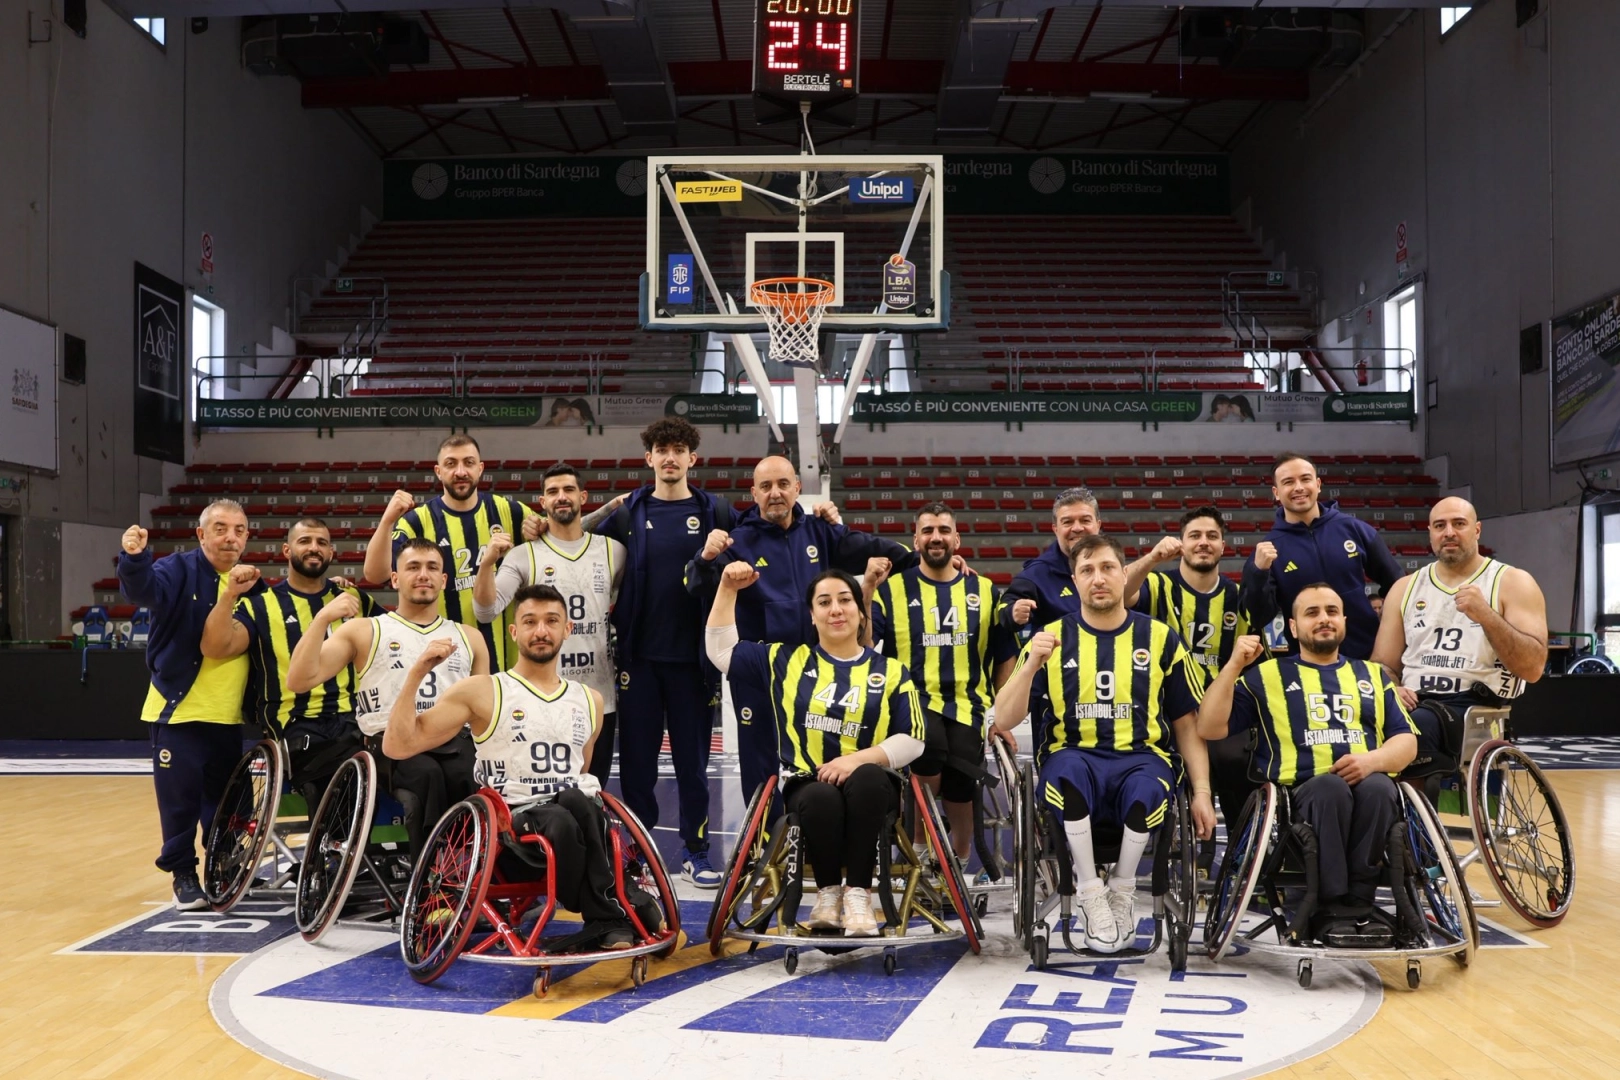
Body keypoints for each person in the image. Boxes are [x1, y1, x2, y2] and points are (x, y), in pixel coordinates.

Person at [382, 584, 658, 951]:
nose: (540, 631)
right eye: (529, 622)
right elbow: (398, 745)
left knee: (578, 800)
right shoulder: (483, 691)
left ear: (567, 629)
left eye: (551, 621)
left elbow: (581, 770)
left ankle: (608, 916)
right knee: (560, 818)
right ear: (514, 631)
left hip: (574, 824)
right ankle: (620, 903)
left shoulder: (589, 700)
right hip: (510, 833)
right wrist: (417, 673)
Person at [992, 535, 1216, 954]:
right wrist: (1031, 665)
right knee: (1068, 774)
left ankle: (1122, 888)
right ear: (1075, 580)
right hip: (1073, 755)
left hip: (1142, 757)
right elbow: (1003, 718)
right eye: (1087, 570)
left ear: (1124, 574)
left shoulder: (1161, 638)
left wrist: (1201, 792)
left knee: (1150, 787)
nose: (1098, 578)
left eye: (1108, 568)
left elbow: (1187, 724)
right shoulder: (1049, 637)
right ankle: (1090, 890)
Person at [684, 454, 931, 809]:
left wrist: (933, 563)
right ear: (753, 493)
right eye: (766, 486)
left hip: (818, 672)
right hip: (761, 670)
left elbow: (880, 550)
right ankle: (765, 840)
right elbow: (696, 585)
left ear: (798, 488)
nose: (775, 493)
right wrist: (706, 559)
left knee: (821, 756)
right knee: (760, 766)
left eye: (783, 484)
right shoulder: (737, 542)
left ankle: (817, 831)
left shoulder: (820, 532)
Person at [707, 564, 927, 937]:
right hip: (808, 785)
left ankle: (859, 895)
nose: (835, 610)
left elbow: (914, 739)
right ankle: (827, 894)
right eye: (824, 602)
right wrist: (727, 589)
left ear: (860, 610)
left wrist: (854, 760)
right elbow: (721, 651)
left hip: (874, 787)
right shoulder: (786, 661)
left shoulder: (891, 671)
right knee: (821, 795)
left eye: (845, 600)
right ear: (812, 615)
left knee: (868, 778)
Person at [1199, 585, 1418, 945]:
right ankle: (1331, 905)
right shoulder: (1267, 675)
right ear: (1293, 626)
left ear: (1344, 620)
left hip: (1368, 786)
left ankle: (1359, 903)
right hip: (1299, 797)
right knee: (1330, 788)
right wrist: (1234, 665)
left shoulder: (1373, 675)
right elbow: (1209, 727)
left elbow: (1406, 742)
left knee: (1381, 788)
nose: (1324, 619)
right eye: (1312, 613)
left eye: (1331, 611)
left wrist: (1371, 761)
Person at [587, 417, 733, 887]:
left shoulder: (716, 511)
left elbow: (759, 538)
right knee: (637, 768)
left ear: (693, 458)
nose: (670, 458)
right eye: (662, 450)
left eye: (679, 450)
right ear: (649, 458)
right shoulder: (628, 512)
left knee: (693, 766)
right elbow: (576, 541)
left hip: (693, 662)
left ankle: (697, 852)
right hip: (639, 660)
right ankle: (638, 853)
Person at [288, 537, 489, 855]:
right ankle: (430, 877)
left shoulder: (470, 637)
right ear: (395, 578)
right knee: (427, 775)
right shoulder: (365, 630)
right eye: (413, 567)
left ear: (443, 580)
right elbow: (299, 680)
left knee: (472, 773)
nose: (423, 574)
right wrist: (322, 619)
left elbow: (482, 714)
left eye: (432, 568)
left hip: (452, 741)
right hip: (389, 745)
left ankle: (478, 869)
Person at [118, 499, 266, 910]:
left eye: (238, 530)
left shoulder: (254, 584)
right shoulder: (176, 570)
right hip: (178, 711)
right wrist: (135, 559)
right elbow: (142, 590)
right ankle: (183, 875)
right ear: (201, 534)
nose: (230, 537)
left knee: (229, 801)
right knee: (179, 803)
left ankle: (224, 865)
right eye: (220, 529)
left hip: (227, 715)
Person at [870, 503, 1017, 865]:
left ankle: (960, 853)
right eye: (928, 531)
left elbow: (1005, 655)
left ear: (957, 540)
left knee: (964, 767)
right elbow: (864, 645)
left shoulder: (984, 590)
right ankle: (921, 844)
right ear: (915, 541)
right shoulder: (891, 591)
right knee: (929, 744)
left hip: (969, 703)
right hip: (913, 699)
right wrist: (867, 587)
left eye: (943, 530)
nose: (936, 537)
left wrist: (1002, 715)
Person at [199, 517, 382, 801]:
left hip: (353, 720)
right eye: (305, 541)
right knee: (340, 766)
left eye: (322, 542)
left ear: (331, 552)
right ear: (287, 550)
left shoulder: (353, 599)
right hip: (295, 725)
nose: (314, 548)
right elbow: (215, 648)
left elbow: (395, 634)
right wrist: (230, 594)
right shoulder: (261, 605)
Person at [473, 463, 625, 788]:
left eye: (569, 489)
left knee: (592, 791)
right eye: (553, 492)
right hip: (537, 698)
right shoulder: (523, 555)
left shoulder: (613, 551)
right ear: (542, 502)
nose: (561, 497)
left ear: (583, 496)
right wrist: (487, 563)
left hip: (597, 696)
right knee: (540, 794)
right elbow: (486, 611)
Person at [1371, 497, 1548, 771]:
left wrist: (1486, 616)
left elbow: (1532, 668)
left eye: (1459, 524)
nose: (1449, 532)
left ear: (1477, 530)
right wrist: (1392, 688)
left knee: (1413, 729)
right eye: (1440, 525)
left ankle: (1419, 797)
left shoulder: (1513, 582)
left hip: (1475, 708)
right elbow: (1384, 665)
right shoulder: (1404, 588)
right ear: (1430, 533)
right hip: (1415, 701)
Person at [361, 434, 542, 672]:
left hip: (505, 661)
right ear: (438, 471)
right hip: (444, 662)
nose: (460, 471)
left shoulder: (512, 512)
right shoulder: (417, 521)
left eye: (468, 463)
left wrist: (541, 527)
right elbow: (375, 575)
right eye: (451, 464)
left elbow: (555, 540)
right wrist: (386, 522)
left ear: (480, 469)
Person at [1121, 506, 1255, 826]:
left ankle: (1241, 844)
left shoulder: (1238, 597)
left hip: (1220, 710)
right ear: (1181, 543)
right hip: (1165, 709)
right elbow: (1120, 594)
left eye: (1212, 536)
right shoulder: (1158, 585)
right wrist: (1152, 558)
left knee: (1238, 758)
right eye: (1195, 535)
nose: (1204, 542)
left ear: (1223, 546)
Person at [1241, 453, 1401, 660]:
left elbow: (1397, 583)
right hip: (1306, 664)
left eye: (1305, 479)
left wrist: (1387, 637)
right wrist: (1258, 573)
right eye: (1288, 482)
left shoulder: (1355, 530)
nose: (1299, 487)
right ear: (1276, 493)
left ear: (1318, 485)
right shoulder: (1268, 551)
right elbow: (1257, 618)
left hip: (1366, 658)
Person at [998, 487, 1103, 637]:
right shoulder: (1038, 573)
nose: (1077, 528)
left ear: (1098, 525)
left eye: (1085, 520)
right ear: (1055, 529)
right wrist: (1013, 612)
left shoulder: (1115, 566)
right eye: (1067, 522)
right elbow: (1006, 607)